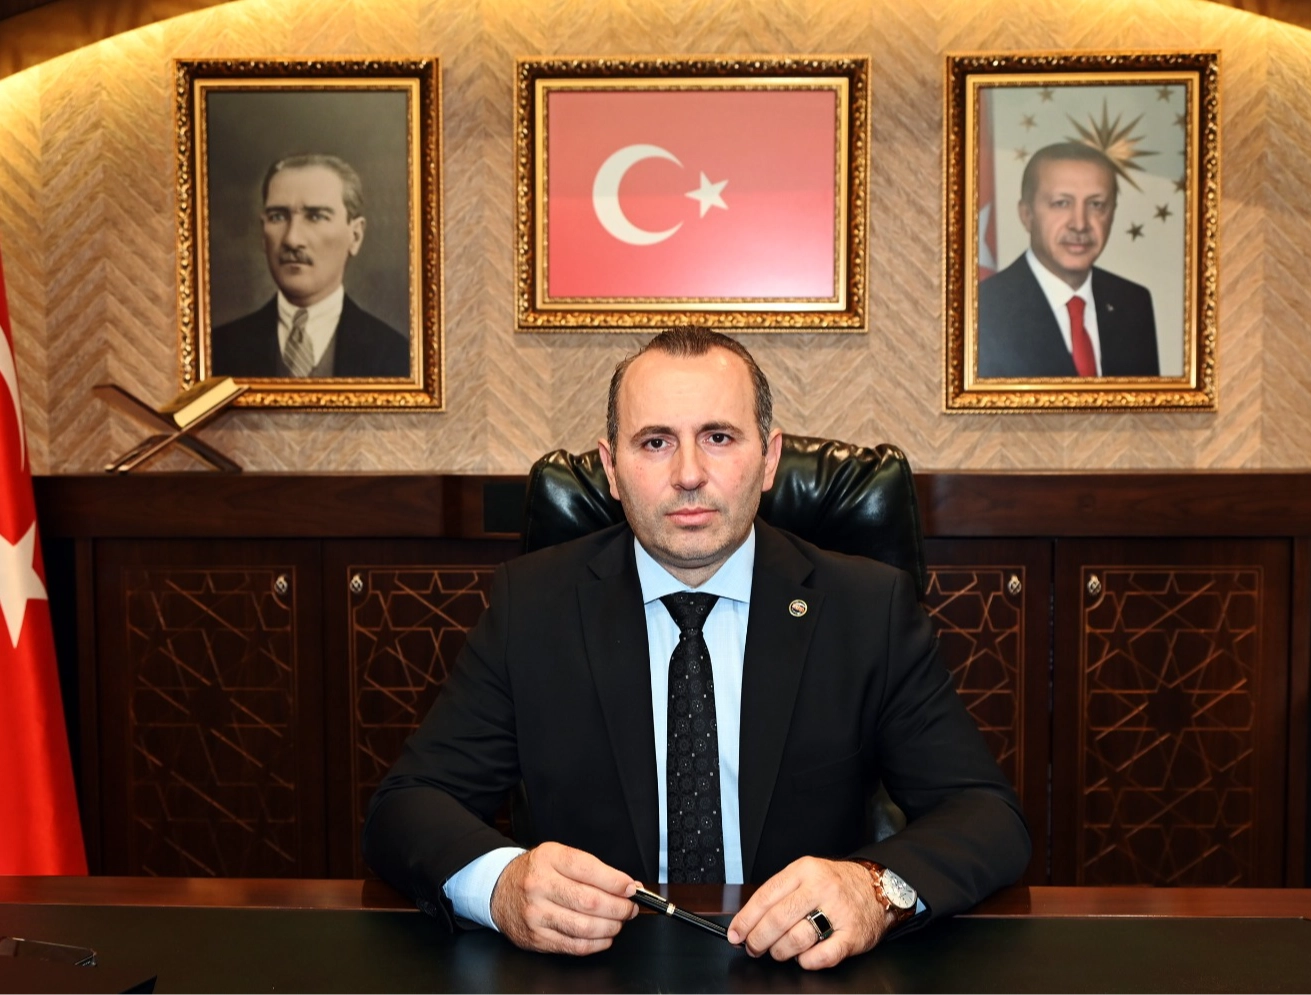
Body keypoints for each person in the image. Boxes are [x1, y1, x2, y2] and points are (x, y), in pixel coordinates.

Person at [363, 327, 1030, 970]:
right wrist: (502, 885)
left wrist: (875, 889)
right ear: (611, 468)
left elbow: (986, 815)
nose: (688, 474)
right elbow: (406, 805)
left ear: (769, 458)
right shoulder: (533, 607)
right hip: (597, 968)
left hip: (801, 967)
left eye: (718, 437)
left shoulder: (866, 608)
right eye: (655, 442)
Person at [211, 154, 409, 378]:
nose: (292, 239)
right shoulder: (218, 351)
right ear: (263, 234)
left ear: (355, 236)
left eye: (316, 217)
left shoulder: (398, 356)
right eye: (278, 217)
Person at [977, 142, 1160, 379]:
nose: (1080, 224)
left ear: (1112, 214)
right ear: (1027, 215)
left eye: (1096, 205)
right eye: (1061, 203)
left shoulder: (1133, 303)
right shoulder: (985, 308)